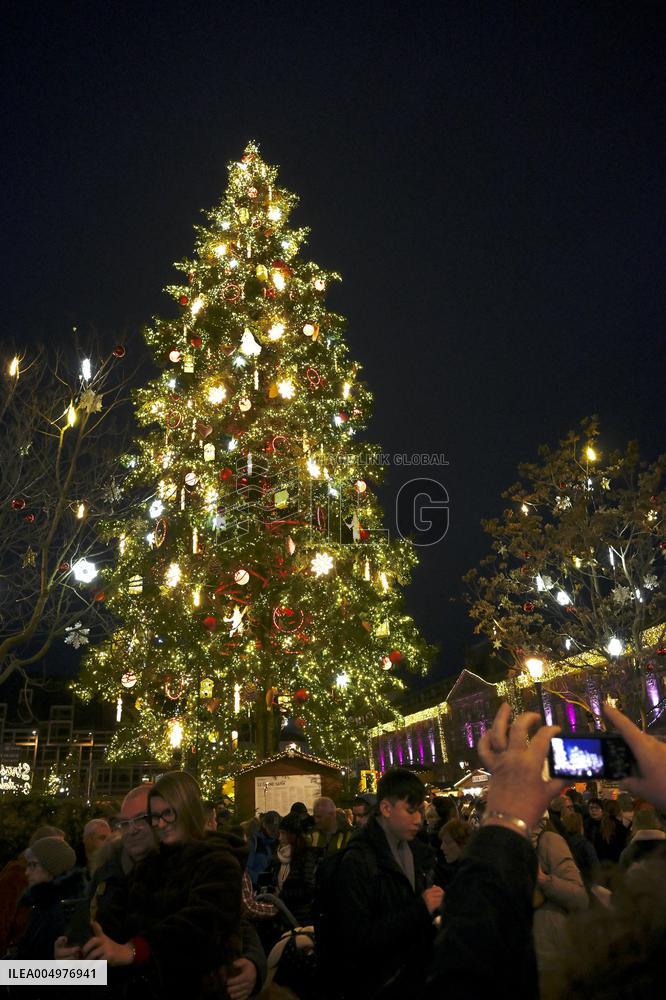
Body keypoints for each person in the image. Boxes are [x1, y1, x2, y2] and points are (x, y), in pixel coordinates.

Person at [77, 772, 249, 1000]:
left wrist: (134, 950)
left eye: (164, 814)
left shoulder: (216, 862)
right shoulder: (138, 868)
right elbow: (114, 927)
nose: (159, 823)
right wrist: (79, 953)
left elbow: (204, 925)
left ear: (187, 809)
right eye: (155, 816)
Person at [326, 768, 443, 999]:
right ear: (386, 808)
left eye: (420, 810)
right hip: (379, 985)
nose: (418, 819)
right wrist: (421, 908)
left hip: (413, 979)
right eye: (410, 811)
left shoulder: (417, 852)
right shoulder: (358, 861)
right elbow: (357, 939)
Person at [11, 837, 85, 960]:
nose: (27, 872)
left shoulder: (65, 913)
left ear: (53, 868)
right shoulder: (42, 905)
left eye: (33, 865)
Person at [247, 810, 280, 887]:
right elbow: (247, 868)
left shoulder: (279, 843)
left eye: (276, 828)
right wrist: (260, 880)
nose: (274, 832)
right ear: (264, 825)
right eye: (271, 828)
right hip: (257, 887)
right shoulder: (254, 842)